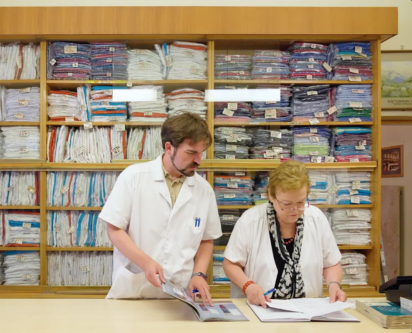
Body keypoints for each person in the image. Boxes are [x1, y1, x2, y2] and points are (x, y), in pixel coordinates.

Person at [99, 112, 222, 305]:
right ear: (168, 147)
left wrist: (199, 273)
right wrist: (146, 262)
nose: (199, 160)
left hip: (180, 293)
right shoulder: (134, 177)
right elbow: (114, 229)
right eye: (191, 153)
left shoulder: (204, 190)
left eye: (201, 152)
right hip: (135, 288)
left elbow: (206, 240)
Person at [223, 161, 346, 307]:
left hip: (308, 310)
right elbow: (230, 264)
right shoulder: (251, 220)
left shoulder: (316, 218)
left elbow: (331, 263)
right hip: (260, 309)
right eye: (286, 204)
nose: (294, 209)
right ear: (271, 195)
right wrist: (248, 286)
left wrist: (333, 285)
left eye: (300, 202)